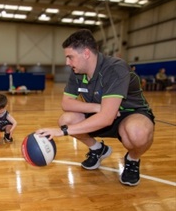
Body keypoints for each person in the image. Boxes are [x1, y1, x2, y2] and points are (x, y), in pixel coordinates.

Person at [36, 29, 155, 186]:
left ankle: (133, 159)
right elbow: (66, 103)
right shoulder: (77, 72)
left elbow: (107, 118)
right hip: (103, 113)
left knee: (138, 133)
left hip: (130, 115)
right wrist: (98, 108)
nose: (67, 63)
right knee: (67, 119)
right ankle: (98, 149)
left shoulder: (115, 69)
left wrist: (61, 132)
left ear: (86, 53)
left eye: (70, 57)